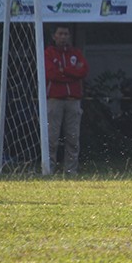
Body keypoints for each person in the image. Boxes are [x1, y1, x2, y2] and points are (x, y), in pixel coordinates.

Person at [45, 25, 88, 176]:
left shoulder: (75, 53)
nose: (63, 37)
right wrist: (71, 71)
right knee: (52, 137)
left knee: (73, 137)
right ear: (54, 36)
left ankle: (71, 171)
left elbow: (83, 70)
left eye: (66, 34)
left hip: (73, 100)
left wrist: (64, 70)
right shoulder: (49, 53)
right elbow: (51, 74)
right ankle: (48, 169)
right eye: (60, 34)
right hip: (55, 100)